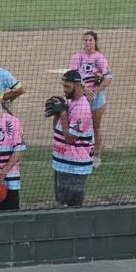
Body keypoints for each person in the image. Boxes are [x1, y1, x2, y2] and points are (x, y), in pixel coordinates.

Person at [47, 73, 97, 207]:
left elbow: (70, 137)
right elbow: (57, 129)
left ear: (77, 86)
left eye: (67, 86)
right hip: (63, 162)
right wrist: (57, 114)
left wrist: (63, 113)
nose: (64, 89)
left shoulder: (81, 108)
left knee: (71, 207)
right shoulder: (69, 102)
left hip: (74, 166)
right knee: (61, 203)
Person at [69, 29, 111, 146]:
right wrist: (85, 88)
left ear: (95, 42)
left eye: (90, 40)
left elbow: (108, 77)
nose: (88, 42)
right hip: (80, 96)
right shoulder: (77, 57)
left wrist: (96, 91)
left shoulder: (100, 58)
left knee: (96, 126)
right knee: (78, 124)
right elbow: (73, 76)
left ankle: (96, 155)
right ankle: (80, 148)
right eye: (86, 40)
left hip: (96, 97)